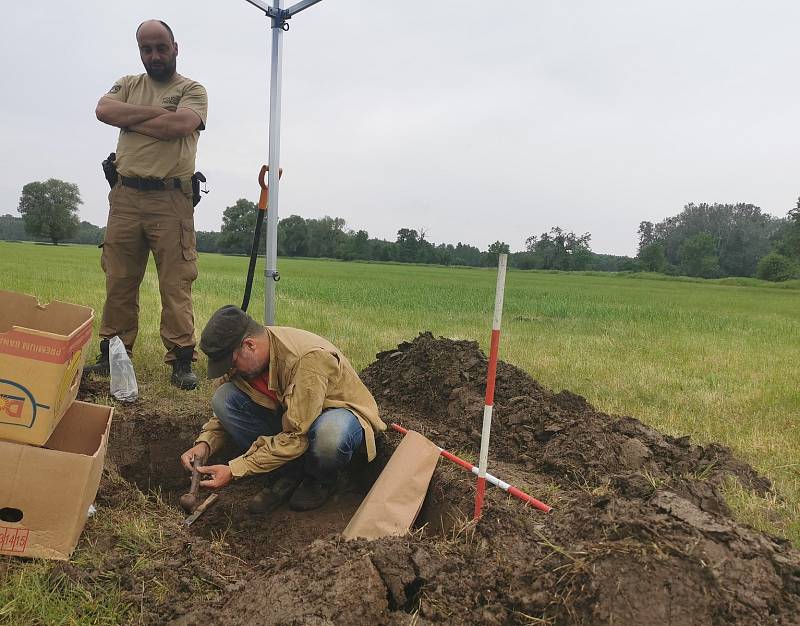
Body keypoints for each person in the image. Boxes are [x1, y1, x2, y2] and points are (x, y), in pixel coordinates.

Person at [84, 19, 208, 390]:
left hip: (171, 200)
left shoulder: (192, 88)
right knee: (119, 279)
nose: (154, 55)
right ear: (140, 50)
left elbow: (181, 125)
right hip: (124, 197)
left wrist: (132, 119)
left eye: (160, 47)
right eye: (146, 49)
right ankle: (114, 355)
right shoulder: (127, 84)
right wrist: (159, 116)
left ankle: (181, 359)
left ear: (175, 47)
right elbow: (104, 110)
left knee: (175, 283)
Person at [180, 305, 386, 512]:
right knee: (223, 398)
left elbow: (298, 435)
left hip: (337, 414)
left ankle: (321, 479)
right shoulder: (245, 364)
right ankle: (288, 472)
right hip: (293, 418)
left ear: (249, 345)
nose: (230, 370)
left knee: (329, 435)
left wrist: (234, 470)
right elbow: (221, 419)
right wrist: (205, 444)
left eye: (231, 364)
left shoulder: (308, 360)